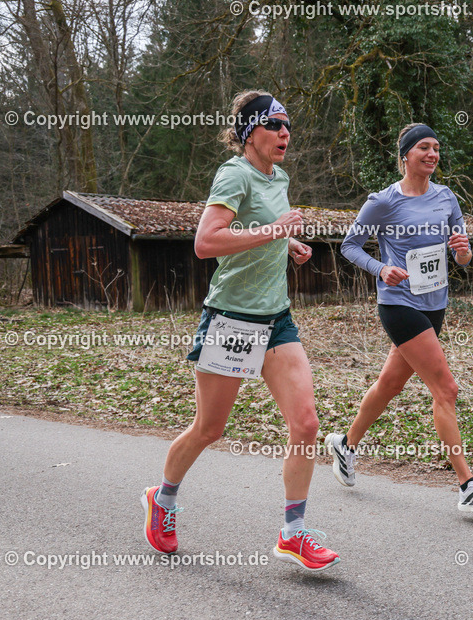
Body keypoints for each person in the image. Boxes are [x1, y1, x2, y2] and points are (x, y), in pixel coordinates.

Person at [141, 90, 340, 572]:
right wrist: (275, 231)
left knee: (306, 424)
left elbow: (259, 228)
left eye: (288, 126)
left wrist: (287, 243)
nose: (285, 133)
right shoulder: (234, 174)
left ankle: (293, 533)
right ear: (250, 132)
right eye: (274, 125)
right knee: (209, 429)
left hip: (277, 320)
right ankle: (162, 499)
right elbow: (206, 242)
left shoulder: (279, 177)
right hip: (231, 319)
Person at [327, 123, 473, 512]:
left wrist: (463, 251)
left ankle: (345, 444)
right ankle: (468, 486)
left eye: (436, 148)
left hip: (435, 303)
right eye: (424, 147)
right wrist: (380, 269)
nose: (432, 154)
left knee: (390, 384)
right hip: (398, 304)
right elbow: (350, 245)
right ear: (405, 155)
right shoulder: (383, 202)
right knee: (446, 389)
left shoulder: (446, 198)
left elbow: (462, 256)